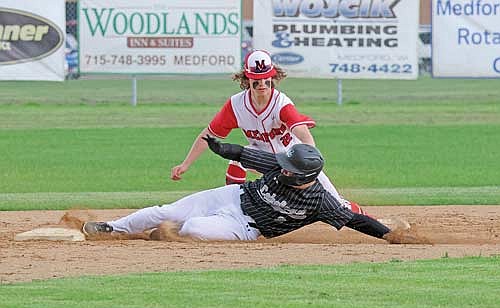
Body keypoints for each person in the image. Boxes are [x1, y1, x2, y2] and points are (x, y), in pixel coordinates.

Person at [83, 136, 396, 243]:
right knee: (166, 211)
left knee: (191, 228)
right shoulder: (277, 164)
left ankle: (164, 231)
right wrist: (219, 148)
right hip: (234, 196)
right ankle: (113, 228)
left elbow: (355, 220)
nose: (282, 165)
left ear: (305, 174)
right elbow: (244, 154)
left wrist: (389, 235)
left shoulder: (320, 201)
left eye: (290, 166)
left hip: (246, 226)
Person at [170, 49, 367, 214]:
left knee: (337, 205)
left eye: (266, 78)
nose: (262, 84)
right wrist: (186, 163)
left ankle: (372, 221)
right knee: (237, 160)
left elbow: (302, 131)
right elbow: (209, 134)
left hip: (293, 161)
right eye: (257, 79)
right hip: (262, 159)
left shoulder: (281, 104)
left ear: (273, 77)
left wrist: (309, 159)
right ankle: (232, 210)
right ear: (247, 79)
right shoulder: (236, 105)